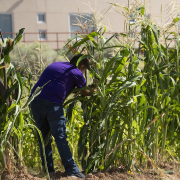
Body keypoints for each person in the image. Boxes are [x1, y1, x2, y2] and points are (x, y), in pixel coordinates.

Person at [29, 54, 96, 179]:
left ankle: (48, 172)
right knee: (60, 137)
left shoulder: (56, 65)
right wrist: (95, 88)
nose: (83, 72)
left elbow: (70, 88)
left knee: (44, 139)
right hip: (52, 103)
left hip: (34, 101)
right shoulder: (76, 71)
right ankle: (72, 170)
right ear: (81, 66)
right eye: (84, 70)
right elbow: (84, 92)